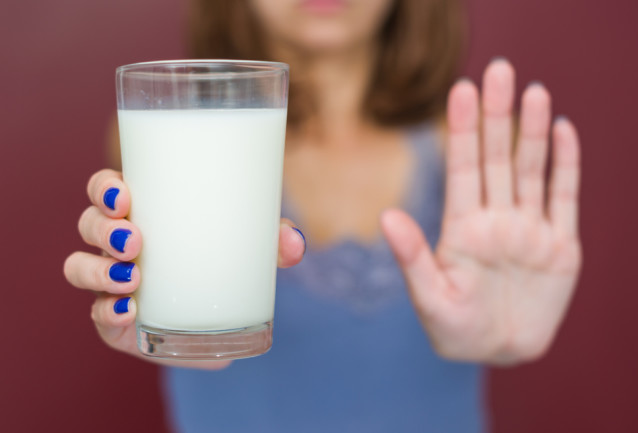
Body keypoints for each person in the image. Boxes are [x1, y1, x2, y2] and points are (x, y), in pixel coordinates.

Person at [63, 0, 582, 431]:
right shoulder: (169, 132)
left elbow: (499, 323)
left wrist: (505, 344)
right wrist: (168, 328)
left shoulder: (478, 147)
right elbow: (191, 340)